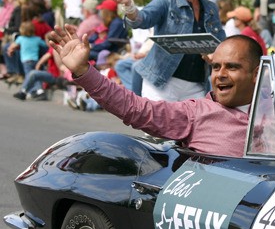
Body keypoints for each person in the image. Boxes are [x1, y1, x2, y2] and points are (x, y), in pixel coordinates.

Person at [50, 28, 262, 157]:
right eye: (215, 67)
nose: (220, 75)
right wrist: (84, 72)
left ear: (257, 74)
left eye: (232, 67)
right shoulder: (195, 114)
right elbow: (135, 109)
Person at [111, 0, 224, 102]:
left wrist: (214, 55)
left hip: (197, 86)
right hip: (161, 83)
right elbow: (142, 20)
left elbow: (222, 44)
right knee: (160, 119)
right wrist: (129, 5)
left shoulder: (210, 8)